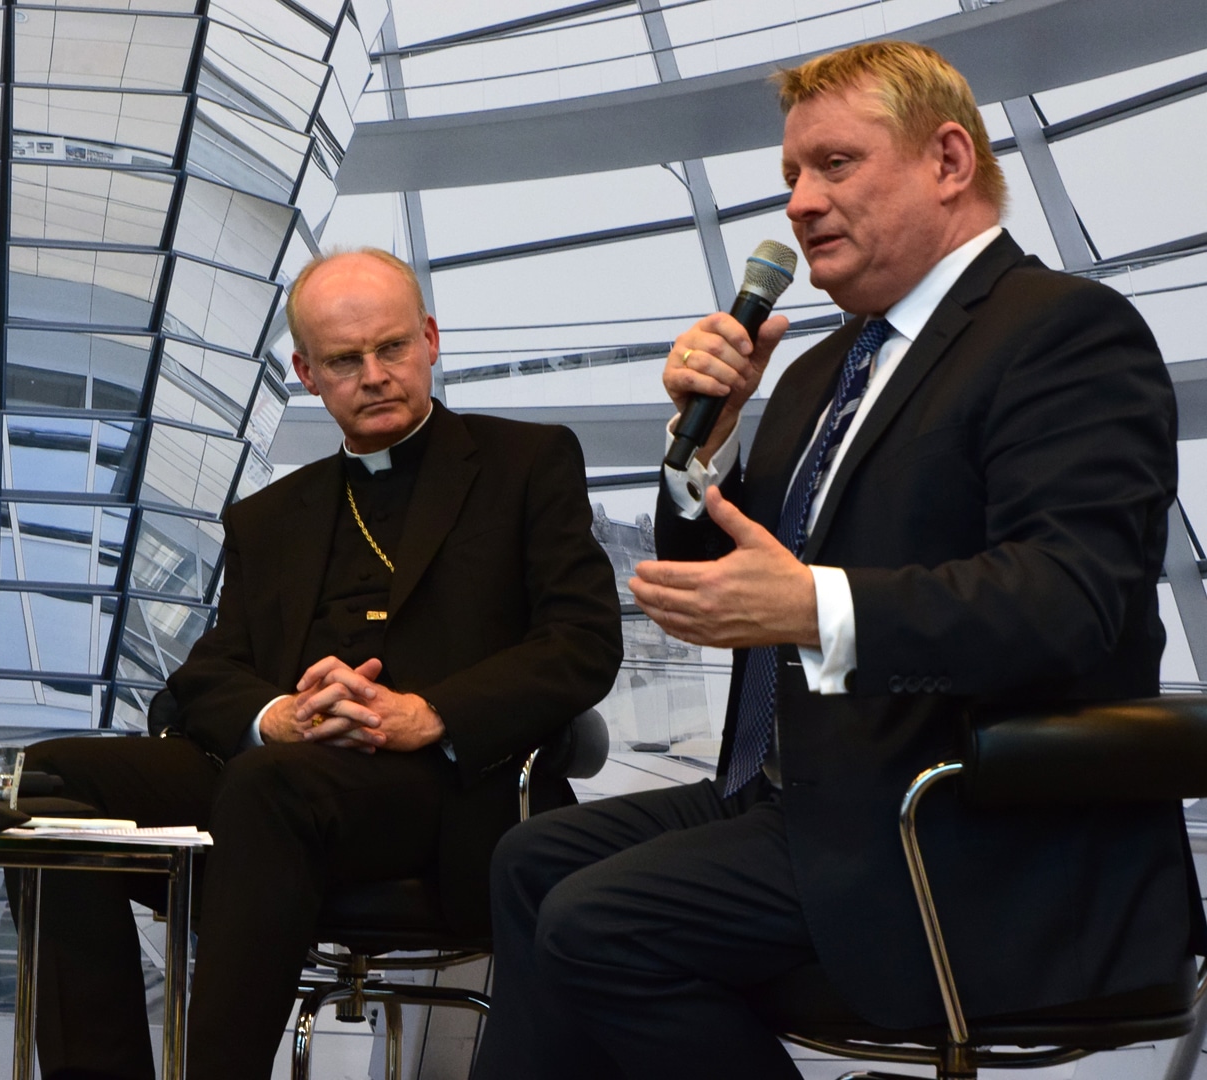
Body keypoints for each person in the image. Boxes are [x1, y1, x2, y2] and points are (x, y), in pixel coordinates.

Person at [475, 40, 1204, 1079]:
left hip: (957, 820)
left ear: (949, 161)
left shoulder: (1066, 334)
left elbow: (1068, 602)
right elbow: (724, 574)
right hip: (805, 791)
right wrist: (709, 443)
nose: (802, 205)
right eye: (790, 178)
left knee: (603, 923)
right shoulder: (822, 370)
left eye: (836, 165)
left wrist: (818, 606)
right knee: (529, 859)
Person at [21, 248, 622, 1080]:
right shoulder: (270, 517)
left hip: (448, 796)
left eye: (393, 349)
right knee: (45, 780)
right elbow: (202, 679)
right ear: (307, 372)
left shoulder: (526, 463)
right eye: (345, 360)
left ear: (432, 339)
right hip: (276, 793)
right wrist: (280, 718)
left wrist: (430, 714)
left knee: (267, 786)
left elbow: (583, 641)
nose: (375, 376)